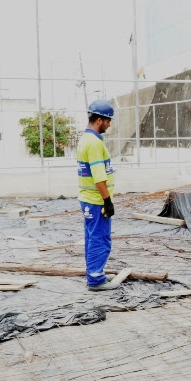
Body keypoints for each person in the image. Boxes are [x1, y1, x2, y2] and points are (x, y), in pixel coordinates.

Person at [77, 100, 116, 291]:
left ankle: (95, 272)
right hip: (96, 201)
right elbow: (99, 176)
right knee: (100, 239)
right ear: (99, 120)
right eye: (108, 121)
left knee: (92, 238)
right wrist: (107, 201)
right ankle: (95, 279)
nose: (109, 125)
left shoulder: (86, 139)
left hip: (88, 200)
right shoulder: (93, 143)